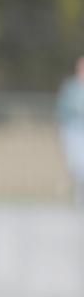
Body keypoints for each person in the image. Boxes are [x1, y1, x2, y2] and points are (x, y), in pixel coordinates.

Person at [58, 56, 84, 204]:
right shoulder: (71, 88)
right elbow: (64, 108)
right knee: (76, 164)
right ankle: (78, 196)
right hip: (74, 130)